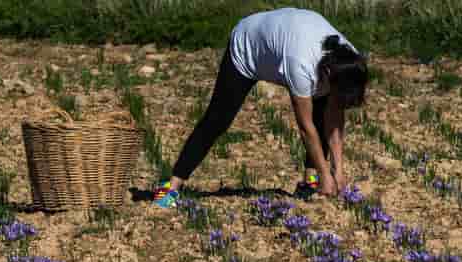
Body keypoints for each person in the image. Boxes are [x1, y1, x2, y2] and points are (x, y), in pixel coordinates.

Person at [153, 8, 368, 208]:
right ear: (329, 74)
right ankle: (171, 186)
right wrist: (325, 171)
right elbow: (305, 126)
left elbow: (335, 113)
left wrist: (338, 169)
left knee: (324, 110)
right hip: (248, 47)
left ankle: (310, 182)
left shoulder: (350, 59)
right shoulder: (301, 63)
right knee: (217, 119)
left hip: (292, 45)